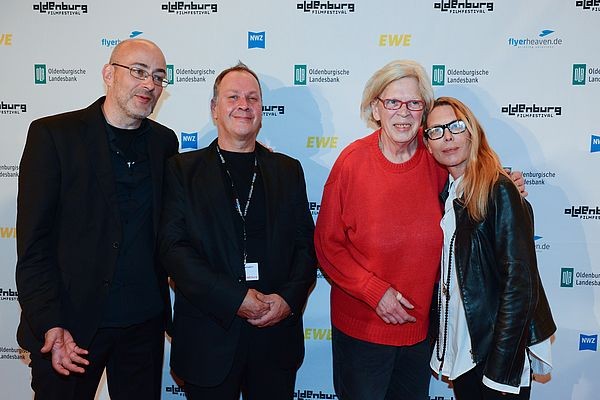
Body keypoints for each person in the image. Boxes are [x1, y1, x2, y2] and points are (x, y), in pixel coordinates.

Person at [314, 60, 526, 400]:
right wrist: (372, 291)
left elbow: (473, 186)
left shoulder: (438, 161)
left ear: (423, 112)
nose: (403, 112)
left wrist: (506, 183)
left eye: (414, 103)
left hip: (420, 336)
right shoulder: (351, 163)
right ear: (376, 108)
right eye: (393, 102)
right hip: (362, 334)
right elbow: (327, 245)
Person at [15, 39, 178, 400]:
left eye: (158, 76)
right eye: (138, 71)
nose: (149, 84)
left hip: (143, 326)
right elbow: (33, 245)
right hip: (71, 329)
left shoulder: (165, 143)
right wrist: (51, 323)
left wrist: (257, 157)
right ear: (109, 74)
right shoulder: (54, 136)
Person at [158, 62, 317, 400]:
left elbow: (306, 246)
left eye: (252, 98)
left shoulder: (288, 171)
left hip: (275, 342)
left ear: (262, 110)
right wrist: (235, 299)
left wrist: (288, 300)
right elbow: (173, 250)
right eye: (233, 97)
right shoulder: (181, 171)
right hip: (208, 341)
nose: (244, 105)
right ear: (215, 109)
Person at [424, 96, 556, 400]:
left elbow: (520, 286)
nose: (447, 137)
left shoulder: (499, 189)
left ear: (472, 131)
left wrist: (499, 371)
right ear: (428, 145)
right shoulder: (450, 196)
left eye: (455, 126)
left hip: (494, 359)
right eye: (435, 131)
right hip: (465, 354)